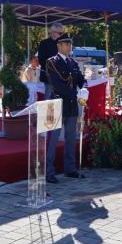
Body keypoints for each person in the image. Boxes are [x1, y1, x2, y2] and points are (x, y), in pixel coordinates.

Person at [45, 33, 85, 184]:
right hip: (57, 103)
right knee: (53, 139)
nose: (69, 47)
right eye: (66, 44)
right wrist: (75, 93)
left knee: (70, 138)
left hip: (71, 105)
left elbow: (80, 79)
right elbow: (57, 85)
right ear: (59, 46)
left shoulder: (73, 63)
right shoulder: (52, 62)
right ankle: (48, 172)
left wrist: (84, 87)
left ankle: (70, 169)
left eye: (70, 44)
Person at [38, 23, 65, 99]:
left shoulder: (62, 43)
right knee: (48, 100)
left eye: (62, 33)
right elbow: (41, 60)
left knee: (59, 100)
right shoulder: (44, 43)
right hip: (48, 76)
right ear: (53, 32)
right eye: (60, 33)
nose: (61, 35)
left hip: (60, 77)